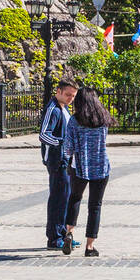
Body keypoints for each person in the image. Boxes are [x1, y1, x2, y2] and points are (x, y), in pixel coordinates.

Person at [61, 86, 110, 258]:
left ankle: (69, 232)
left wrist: (67, 157)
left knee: (74, 198)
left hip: (80, 166)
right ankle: (89, 246)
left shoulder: (75, 120)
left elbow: (68, 147)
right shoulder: (103, 118)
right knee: (95, 206)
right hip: (101, 166)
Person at [40, 79, 78, 251]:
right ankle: (54, 238)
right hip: (57, 161)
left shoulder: (64, 108)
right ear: (59, 92)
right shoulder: (53, 109)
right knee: (58, 199)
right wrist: (61, 143)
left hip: (66, 160)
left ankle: (63, 234)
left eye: (73, 96)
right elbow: (43, 135)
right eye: (68, 94)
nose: (71, 98)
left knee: (65, 198)